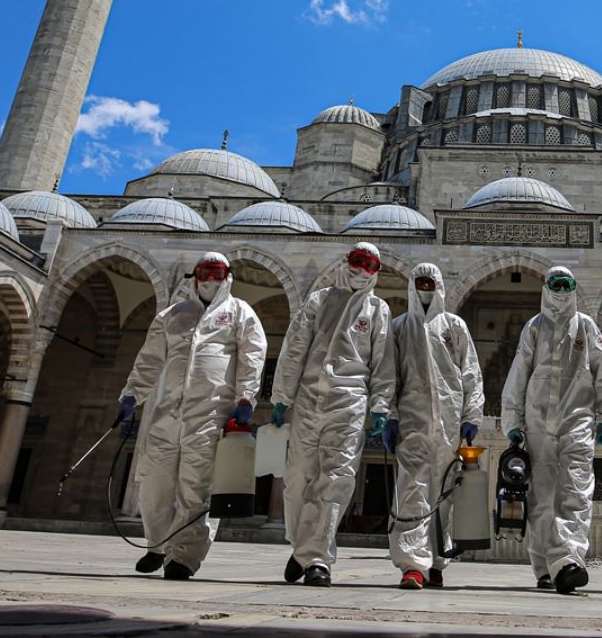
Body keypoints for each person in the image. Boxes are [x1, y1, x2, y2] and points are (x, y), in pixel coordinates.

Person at [115, 252, 266, 580]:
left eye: (216, 272)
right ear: (194, 276)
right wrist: (132, 394)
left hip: (211, 413)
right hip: (168, 410)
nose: (210, 279)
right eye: (204, 272)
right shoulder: (173, 315)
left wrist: (245, 398)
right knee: (153, 482)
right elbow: (150, 360)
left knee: (196, 487)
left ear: (226, 277)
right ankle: (157, 544)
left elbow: (252, 355)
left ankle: (183, 556)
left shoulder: (240, 313)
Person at [269, 241, 394, 587]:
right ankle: (301, 547)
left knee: (336, 477)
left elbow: (383, 364)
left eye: (369, 265)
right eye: (357, 262)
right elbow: (295, 348)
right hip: (310, 397)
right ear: (347, 262)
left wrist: (380, 405)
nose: (361, 270)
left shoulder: (378, 310)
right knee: (297, 479)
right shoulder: (319, 299)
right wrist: (281, 396)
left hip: (349, 401)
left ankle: (317, 558)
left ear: (376, 271)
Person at [501, 265, 602, 594]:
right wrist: (513, 424)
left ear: (574, 288)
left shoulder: (586, 327)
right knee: (542, 500)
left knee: (576, 493)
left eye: (568, 284)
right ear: (547, 287)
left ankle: (568, 561)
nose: (562, 289)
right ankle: (543, 566)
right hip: (538, 424)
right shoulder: (534, 327)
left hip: (577, 421)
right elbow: (518, 374)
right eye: (557, 283)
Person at [380, 263, 485, 589]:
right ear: (412, 286)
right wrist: (390, 416)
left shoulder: (454, 326)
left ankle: (437, 562)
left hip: (449, 426)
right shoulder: (398, 327)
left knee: (444, 497)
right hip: (412, 423)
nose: (425, 288)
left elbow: (470, 375)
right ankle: (412, 565)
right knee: (411, 493)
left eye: (430, 282)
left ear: (438, 285)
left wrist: (471, 417)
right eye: (420, 282)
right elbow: (389, 376)